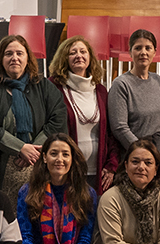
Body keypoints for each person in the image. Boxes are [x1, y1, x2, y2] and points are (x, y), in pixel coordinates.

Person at [0, 34, 67, 201]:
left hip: (40, 162)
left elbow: (58, 118)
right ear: (1, 59)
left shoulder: (43, 86)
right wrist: (20, 148)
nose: (14, 58)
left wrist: (33, 151)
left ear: (28, 58)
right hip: (2, 164)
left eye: (19, 53)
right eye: (8, 54)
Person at [48, 37, 119, 192]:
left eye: (83, 51)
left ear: (90, 58)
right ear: (64, 58)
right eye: (72, 52)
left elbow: (110, 134)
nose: (78, 55)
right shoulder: (53, 87)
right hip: (66, 170)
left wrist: (111, 166)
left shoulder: (100, 90)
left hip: (98, 171)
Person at [109, 29, 160, 167]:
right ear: (130, 52)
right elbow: (119, 127)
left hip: (158, 158)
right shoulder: (121, 84)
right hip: (134, 158)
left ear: (154, 52)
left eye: (148, 48)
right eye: (138, 48)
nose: (143, 52)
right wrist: (145, 155)